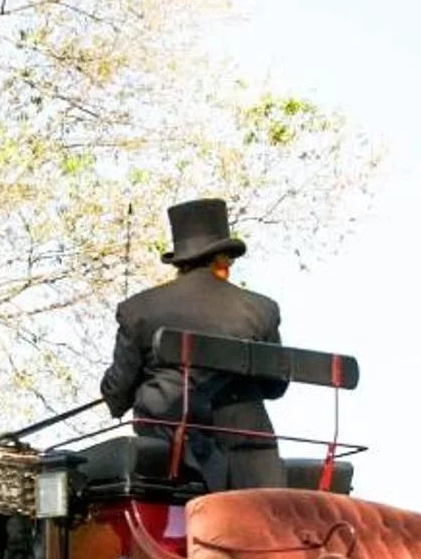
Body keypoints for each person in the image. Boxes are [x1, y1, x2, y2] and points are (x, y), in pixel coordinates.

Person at [100, 197, 286, 490]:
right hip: (251, 460)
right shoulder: (261, 310)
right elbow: (276, 386)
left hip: (171, 456)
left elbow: (118, 391)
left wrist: (115, 396)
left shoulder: (139, 309)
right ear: (222, 260)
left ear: (180, 263)